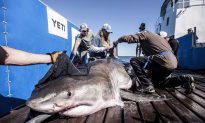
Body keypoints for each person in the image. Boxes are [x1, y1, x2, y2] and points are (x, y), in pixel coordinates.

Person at [113, 31, 195, 94]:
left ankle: (147, 85)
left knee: (134, 60)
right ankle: (184, 79)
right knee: (159, 83)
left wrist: (117, 41)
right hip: (172, 63)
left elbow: (130, 38)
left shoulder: (144, 34)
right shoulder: (160, 39)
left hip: (163, 60)